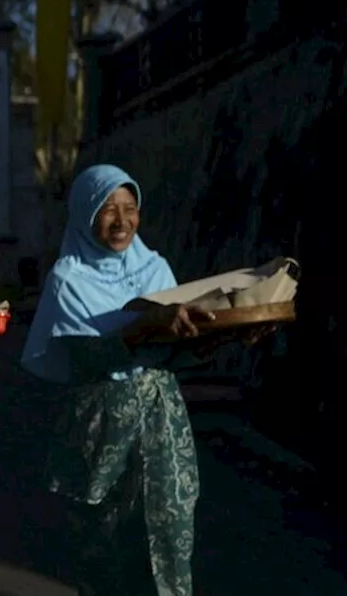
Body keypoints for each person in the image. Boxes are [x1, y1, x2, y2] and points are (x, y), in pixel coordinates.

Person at [20, 164, 210, 596]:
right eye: (108, 209)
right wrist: (146, 323)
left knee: (169, 531)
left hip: (163, 425)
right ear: (85, 213)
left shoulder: (156, 269)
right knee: (103, 545)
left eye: (130, 208)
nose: (122, 221)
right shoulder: (68, 279)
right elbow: (90, 355)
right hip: (102, 430)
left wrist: (221, 333)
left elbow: (180, 346)